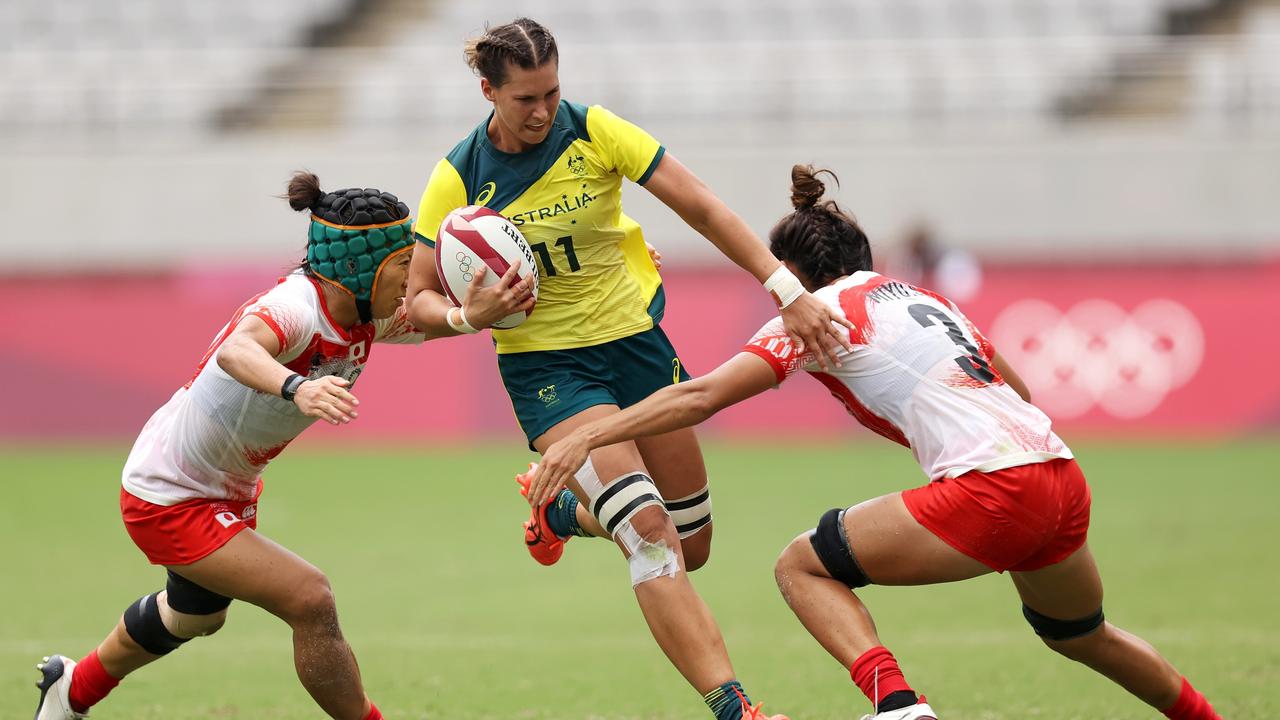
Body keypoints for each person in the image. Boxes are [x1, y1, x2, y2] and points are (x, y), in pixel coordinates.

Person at [528, 166, 1224, 720]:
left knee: (802, 567)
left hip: (993, 490)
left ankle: (897, 703)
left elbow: (701, 396)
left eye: (775, 279)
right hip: (1060, 479)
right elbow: (1022, 393)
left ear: (792, 276)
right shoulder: (919, 296)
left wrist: (589, 432)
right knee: (1081, 635)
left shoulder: (815, 313)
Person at [404, 17, 848, 720]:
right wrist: (470, 316)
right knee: (648, 533)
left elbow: (698, 203)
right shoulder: (458, 176)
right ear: (487, 90)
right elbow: (419, 298)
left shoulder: (595, 130)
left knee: (693, 546)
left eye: (551, 91)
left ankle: (564, 513)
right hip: (550, 373)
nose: (543, 111)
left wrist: (785, 289)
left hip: (637, 346)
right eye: (524, 99)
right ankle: (737, 708)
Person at [31, 173, 510, 720]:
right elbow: (237, 351)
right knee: (310, 599)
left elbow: (427, 322)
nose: (413, 278)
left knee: (194, 615)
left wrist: (472, 315)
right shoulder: (297, 307)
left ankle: (70, 690)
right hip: (170, 494)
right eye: (404, 265)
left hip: (221, 488)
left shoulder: (364, 312)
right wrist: (298, 387)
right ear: (358, 267)